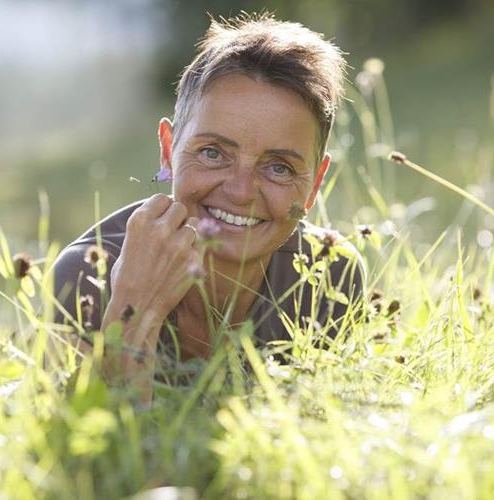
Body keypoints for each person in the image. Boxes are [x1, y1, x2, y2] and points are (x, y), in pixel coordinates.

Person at [52, 13, 364, 404]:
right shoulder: (88, 279)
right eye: (213, 153)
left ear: (314, 184)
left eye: (279, 167)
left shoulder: (325, 279)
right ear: (168, 150)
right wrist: (133, 312)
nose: (240, 191)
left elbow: (323, 437)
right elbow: (103, 446)